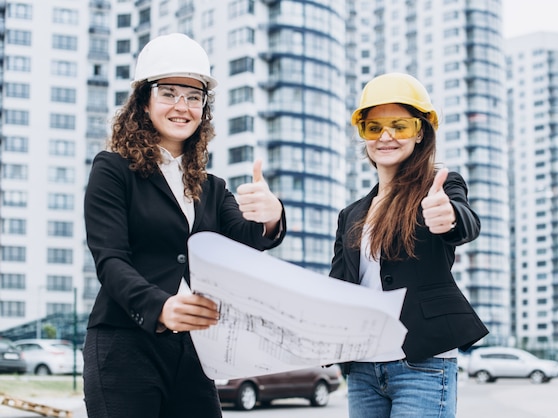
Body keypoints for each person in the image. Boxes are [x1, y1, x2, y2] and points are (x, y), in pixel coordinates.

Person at [82, 33, 286, 418]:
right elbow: (110, 261)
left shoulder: (211, 188)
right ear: (144, 101)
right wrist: (160, 306)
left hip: (193, 351)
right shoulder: (112, 170)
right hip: (124, 345)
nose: (183, 106)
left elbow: (247, 240)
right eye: (169, 93)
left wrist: (271, 214)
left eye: (194, 96)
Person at [329, 73, 488, 418]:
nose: (385, 136)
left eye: (399, 125)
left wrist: (448, 217)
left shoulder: (438, 187)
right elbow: (339, 287)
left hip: (421, 363)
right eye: (374, 128)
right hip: (363, 368)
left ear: (420, 132)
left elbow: (466, 222)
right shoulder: (351, 214)